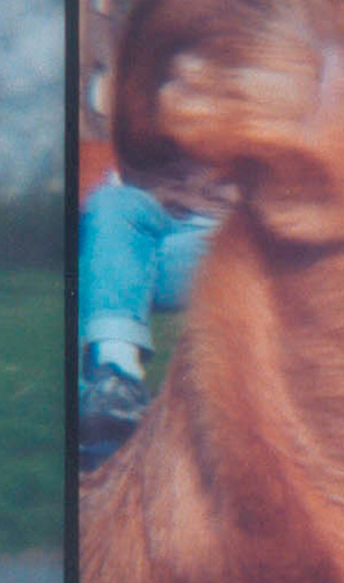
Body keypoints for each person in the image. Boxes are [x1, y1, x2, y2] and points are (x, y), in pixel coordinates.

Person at [76, 167, 235, 468]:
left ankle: (106, 409)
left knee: (97, 273)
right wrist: (149, 184)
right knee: (111, 203)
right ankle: (117, 386)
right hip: (154, 225)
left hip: (224, 233)